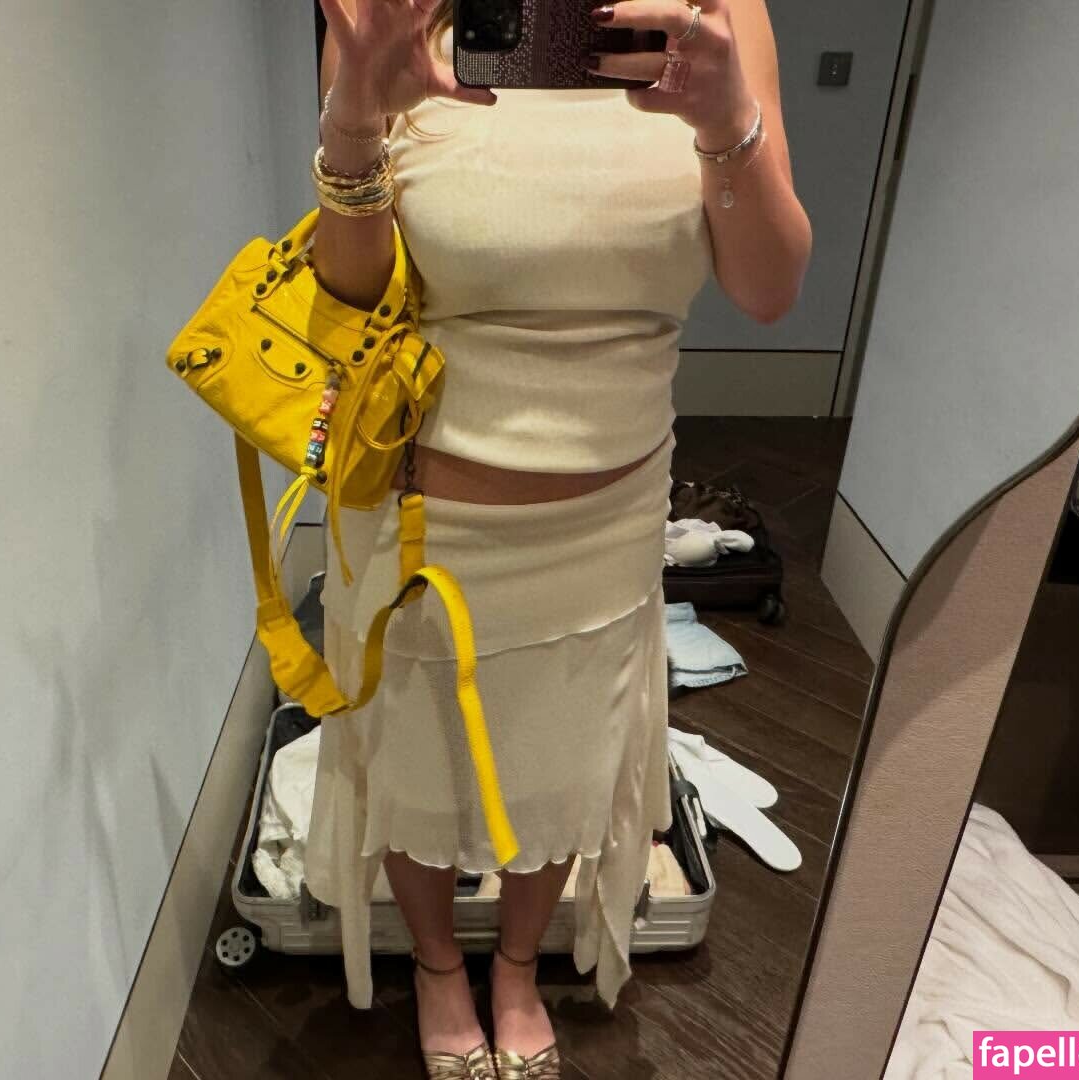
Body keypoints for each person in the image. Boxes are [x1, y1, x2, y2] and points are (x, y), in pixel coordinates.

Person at [303, 1, 810, 1076]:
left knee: (564, 761)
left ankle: (519, 964)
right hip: (422, 517)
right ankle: (439, 968)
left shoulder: (717, 14)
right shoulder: (393, 9)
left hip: (609, 522)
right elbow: (346, 299)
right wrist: (352, 122)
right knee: (416, 762)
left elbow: (769, 290)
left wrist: (728, 124)